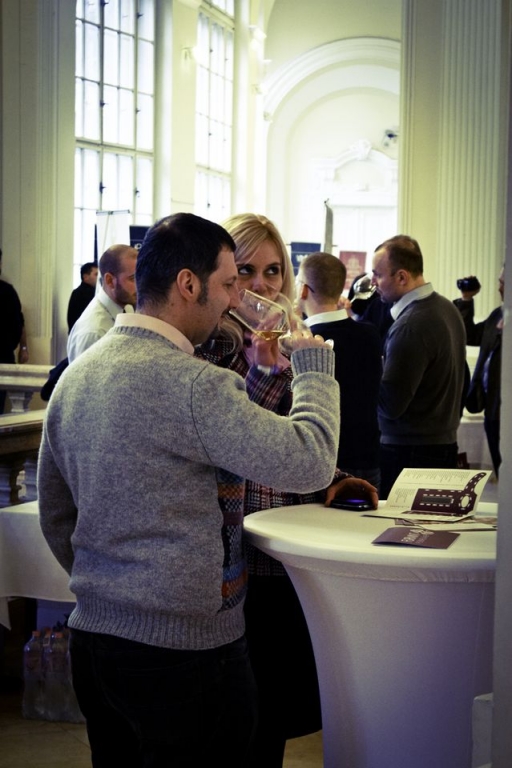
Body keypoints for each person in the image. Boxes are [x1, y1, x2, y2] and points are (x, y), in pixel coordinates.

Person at [37, 212, 342, 768]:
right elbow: (312, 459)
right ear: (187, 284)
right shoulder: (198, 384)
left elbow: (56, 514)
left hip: (95, 640)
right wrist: (315, 367)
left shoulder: (79, 372)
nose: (236, 299)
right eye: (228, 282)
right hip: (186, 652)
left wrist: (112, 584)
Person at [196, 213, 378, 767]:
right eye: (246, 270)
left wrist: (334, 477)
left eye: (273, 270)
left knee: (272, 714)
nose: (261, 284)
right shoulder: (209, 348)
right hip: (236, 563)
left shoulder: (293, 342)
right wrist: (269, 372)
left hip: (284, 555)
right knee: (241, 720)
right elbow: (233, 444)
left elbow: (299, 444)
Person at [371, 235, 467, 498]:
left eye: (378, 275)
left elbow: (390, 405)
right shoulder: (447, 308)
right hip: (442, 444)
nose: (373, 283)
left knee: (399, 523)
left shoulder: (411, 325)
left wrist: (365, 370)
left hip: (409, 453)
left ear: (402, 277)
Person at [297, 252, 382, 489]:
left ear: (303, 290)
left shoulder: (305, 341)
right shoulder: (370, 334)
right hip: (368, 455)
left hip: (327, 463)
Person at [454, 268, 504, 476]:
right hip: (492, 409)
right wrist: (466, 298)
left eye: (503, 282)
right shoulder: (497, 315)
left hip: (507, 410)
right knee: (502, 470)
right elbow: (470, 334)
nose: (499, 287)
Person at [67, 244, 137, 362]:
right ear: (110, 281)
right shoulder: (94, 333)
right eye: (133, 278)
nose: (140, 285)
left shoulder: (127, 309)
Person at [0, 248, 28, 413]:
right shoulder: (7, 290)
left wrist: (24, 347)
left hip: (4, 354)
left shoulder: (7, 291)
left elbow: (20, 321)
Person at [67, 261, 99, 332]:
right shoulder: (86, 293)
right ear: (85, 277)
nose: (99, 277)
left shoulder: (76, 292)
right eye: (96, 274)